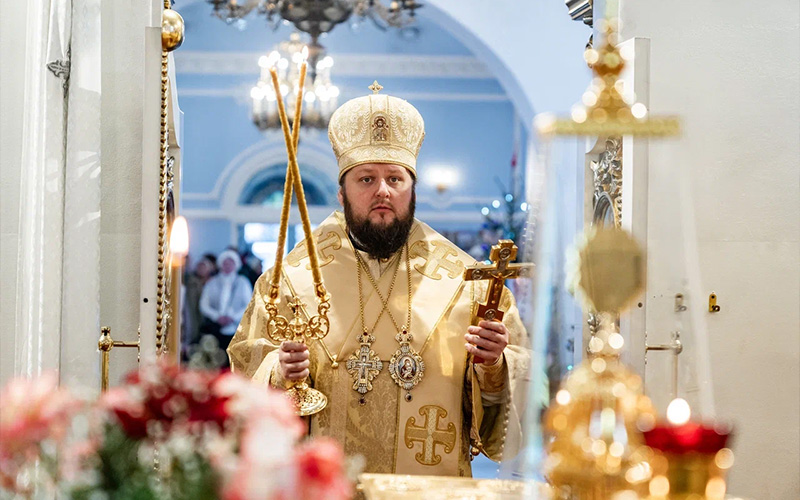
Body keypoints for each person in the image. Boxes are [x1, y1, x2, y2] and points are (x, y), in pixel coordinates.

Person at [228, 82, 530, 477]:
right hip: (326, 483)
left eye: (395, 179)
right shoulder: (290, 282)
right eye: (366, 179)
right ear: (342, 193)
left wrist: (493, 365)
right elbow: (246, 373)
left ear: (412, 189)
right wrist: (279, 372)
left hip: (427, 483)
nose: (382, 191)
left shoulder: (468, 282)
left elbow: (517, 382)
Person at [199, 249, 253, 358]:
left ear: (236, 264)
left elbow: (249, 304)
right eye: (225, 263)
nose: (227, 266)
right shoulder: (212, 282)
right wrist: (216, 317)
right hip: (215, 328)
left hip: (237, 330)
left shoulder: (243, 282)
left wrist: (233, 317)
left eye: (230, 263)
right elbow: (204, 304)